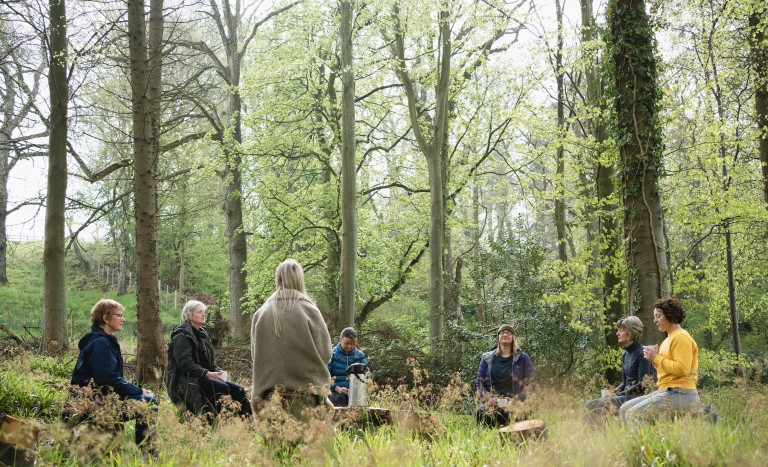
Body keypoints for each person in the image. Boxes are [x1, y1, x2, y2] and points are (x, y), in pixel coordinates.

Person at [251, 259, 333, 419]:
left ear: (278, 278)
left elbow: (255, 355)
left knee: (276, 444)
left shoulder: (261, 313)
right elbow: (325, 353)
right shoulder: (309, 310)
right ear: (300, 279)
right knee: (311, 443)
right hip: (305, 397)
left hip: (268, 397)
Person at [70, 299, 156, 448]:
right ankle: (147, 454)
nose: (123, 319)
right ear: (105, 318)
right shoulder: (100, 343)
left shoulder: (103, 341)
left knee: (147, 398)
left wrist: (136, 390)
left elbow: (108, 379)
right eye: (119, 315)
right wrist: (139, 390)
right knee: (148, 402)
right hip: (92, 402)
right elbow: (107, 379)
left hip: (101, 396)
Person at [619, 299, 700, 427]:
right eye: (654, 317)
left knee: (633, 414)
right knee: (624, 409)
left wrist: (656, 358)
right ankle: (636, 443)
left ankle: (646, 446)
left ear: (670, 315)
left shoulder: (681, 337)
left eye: (658, 316)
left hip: (681, 393)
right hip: (666, 390)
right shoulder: (668, 340)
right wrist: (654, 359)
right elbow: (667, 369)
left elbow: (683, 369)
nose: (655, 321)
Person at [165, 300, 252, 417]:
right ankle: (218, 422)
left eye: (204, 312)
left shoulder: (203, 334)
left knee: (239, 389)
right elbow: (185, 365)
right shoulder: (182, 336)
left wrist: (218, 371)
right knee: (222, 388)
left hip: (204, 375)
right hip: (188, 379)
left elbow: (210, 362)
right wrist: (208, 374)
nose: (203, 314)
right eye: (199, 312)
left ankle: (249, 425)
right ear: (189, 315)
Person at [585, 316, 655, 420]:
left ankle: (599, 434)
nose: (617, 333)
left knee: (597, 405)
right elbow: (624, 382)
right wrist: (614, 392)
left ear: (631, 333)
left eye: (621, 331)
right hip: (626, 395)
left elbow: (642, 385)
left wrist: (621, 394)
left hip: (638, 397)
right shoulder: (625, 355)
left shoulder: (642, 353)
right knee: (590, 404)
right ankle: (595, 434)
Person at [475, 324, 534, 427]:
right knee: (482, 413)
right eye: (502, 332)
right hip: (495, 401)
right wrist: (488, 398)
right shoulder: (487, 358)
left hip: (513, 401)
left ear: (513, 337)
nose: (505, 334)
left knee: (522, 416)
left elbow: (531, 383)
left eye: (508, 333)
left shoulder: (523, 358)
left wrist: (517, 399)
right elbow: (479, 384)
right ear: (498, 337)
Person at [328, 327, 368, 407]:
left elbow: (367, 375)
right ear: (340, 339)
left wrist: (356, 390)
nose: (349, 347)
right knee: (339, 399)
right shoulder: (332, 355)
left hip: (356, 393)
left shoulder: (360, 356)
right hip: (336, 392)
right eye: (346, 343)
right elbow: (326, 376)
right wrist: (337, 388)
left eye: (352, 344)